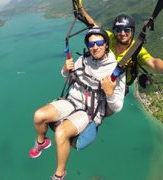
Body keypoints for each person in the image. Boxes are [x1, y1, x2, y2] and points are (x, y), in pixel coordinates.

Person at [29, 27, 126, 180]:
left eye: (99, 42)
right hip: (72, 101)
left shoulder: (116, 70)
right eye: (91, 44)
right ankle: (41, 142)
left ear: (106, 44)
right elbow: (69, 81)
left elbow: (117, 107)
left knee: (61, 132)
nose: (95, 47)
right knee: (39, 115)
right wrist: (65, 71)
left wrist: (109, 93)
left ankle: (59, 174)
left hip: (90, 111)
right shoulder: (83, 59)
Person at [74, 0, 163, 88]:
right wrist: (80, 9)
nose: (122, 33)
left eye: (126, 30)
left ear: (132, 31)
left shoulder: (136, 49)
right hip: (103, 78)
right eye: (118, 30)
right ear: (114, 31)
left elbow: (153, 62)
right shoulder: (110, 38)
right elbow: (92, 25)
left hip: (119, 84)